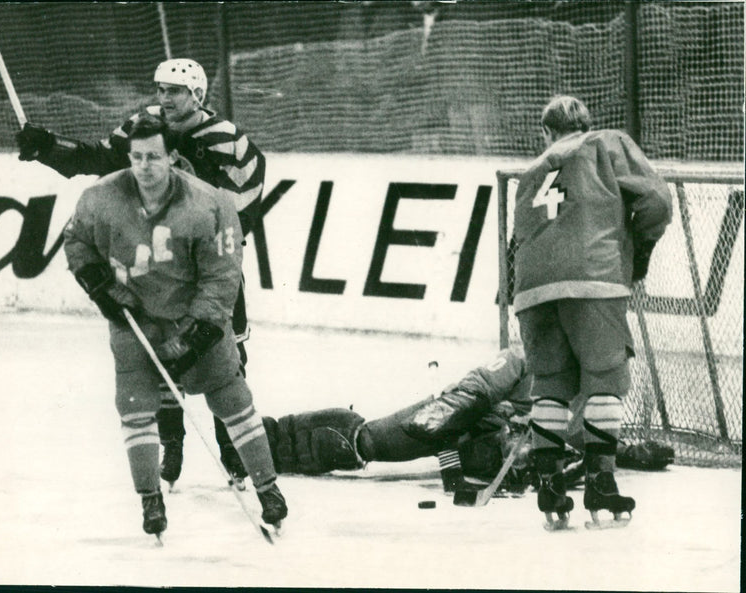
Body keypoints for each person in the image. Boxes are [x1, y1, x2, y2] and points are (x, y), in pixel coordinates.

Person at [15, 58, 261, 489]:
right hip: (156, 265)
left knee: (225, 357)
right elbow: (99, 159)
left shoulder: (229, 140)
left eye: (175, 91)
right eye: (160, 89)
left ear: (197, 95)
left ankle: (233, 455)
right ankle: (173, 448)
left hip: (205, 266)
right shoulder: (141, 127)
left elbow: (241, 205)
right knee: (158, 353)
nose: (164, 98)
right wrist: (47, 146)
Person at [62, 114, 286, 538]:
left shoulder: (211, 204)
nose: (144, 166)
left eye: (154, 157)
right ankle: (150, 500)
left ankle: (268, 489)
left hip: (193, 318)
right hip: (135, 322)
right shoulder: (100, 198)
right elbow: (77, 242)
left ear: (173, 157)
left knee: (233, 401)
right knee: (134, 408)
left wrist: (199, 334)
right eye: (137, 157)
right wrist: (99, 286)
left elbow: (223, 277)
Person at [511, 95, 672, 528]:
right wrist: (637, 246)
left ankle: (548, 485)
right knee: (604, 379)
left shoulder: (530, 172)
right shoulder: (608, 143)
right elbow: (657, 201)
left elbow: (517, 243)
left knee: (549, 385)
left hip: (531, 289)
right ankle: (601, 483)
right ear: (585, 124)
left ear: (546, 133)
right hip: (593, 276)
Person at [252, 346, 674, 497]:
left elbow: (589, 443)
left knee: (503, 451)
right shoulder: (529, 356)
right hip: (460, 419)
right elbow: (472, 390)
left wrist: (631, 452)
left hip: (485, 445)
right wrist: (446, 429)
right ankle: (264, 441)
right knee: (369, 442)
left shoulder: (591, 403)